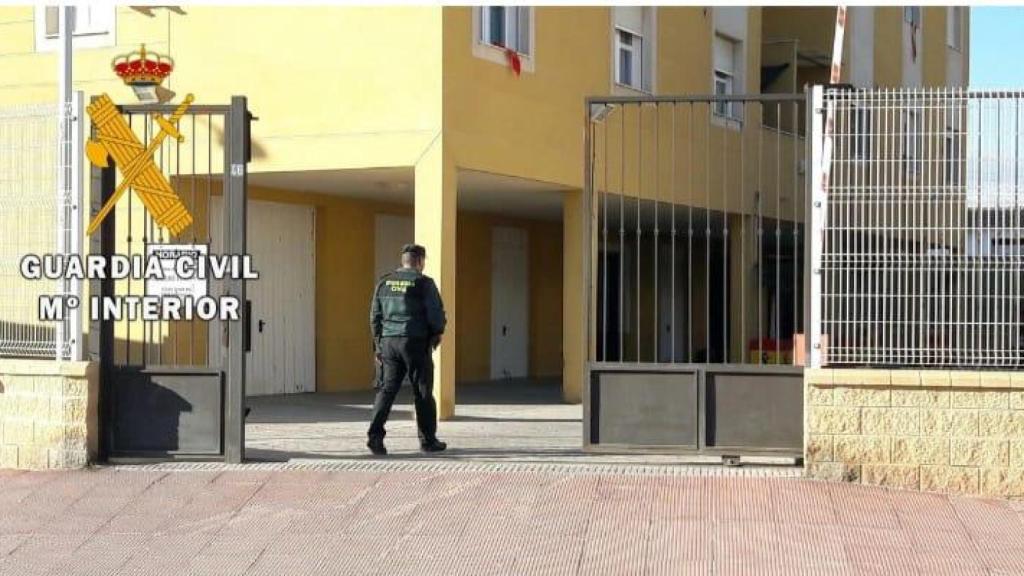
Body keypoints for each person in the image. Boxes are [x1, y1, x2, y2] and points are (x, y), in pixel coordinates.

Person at [367, 243, 448, 455]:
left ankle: (375, 437)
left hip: (389, 343)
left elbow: (375, 316)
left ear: (403, 261)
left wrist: (378, 345)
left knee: (387, 390)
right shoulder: (423, 283)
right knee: (422, 391)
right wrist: (437, 333)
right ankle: (428, 441)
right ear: (420, 261)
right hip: (415, 342)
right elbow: (435, 314)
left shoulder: (384, 282)